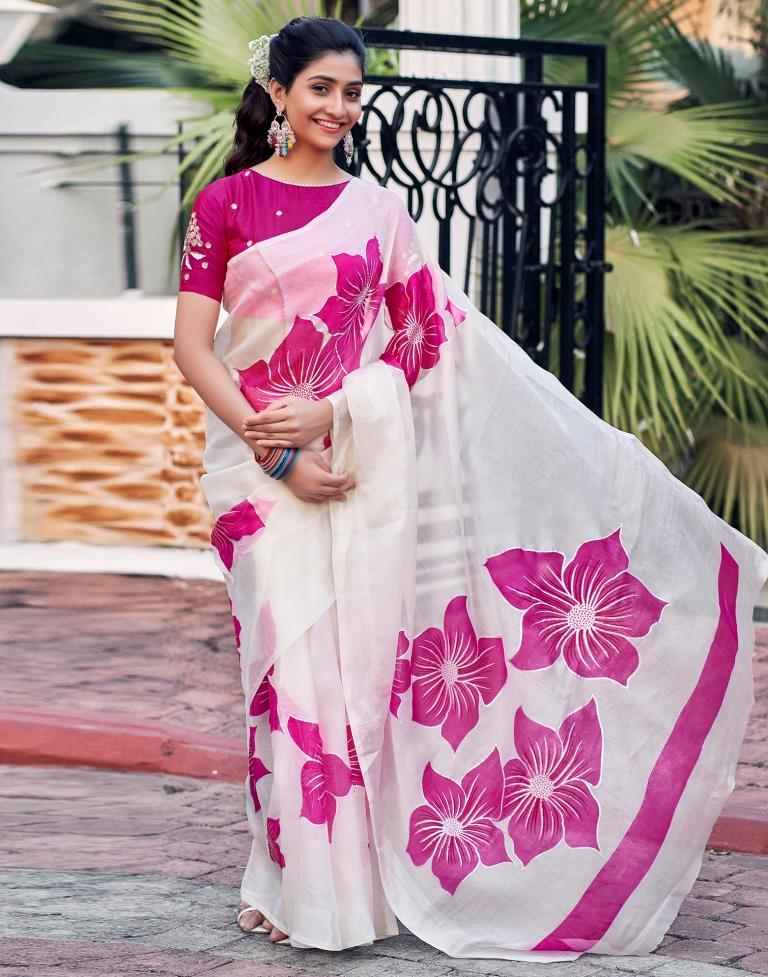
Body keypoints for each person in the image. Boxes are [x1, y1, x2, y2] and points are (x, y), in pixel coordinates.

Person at [172, 14, 768, 962]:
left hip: (355, 468)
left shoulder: (379, 214)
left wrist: (331, 418)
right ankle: (288, 878)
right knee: (283, 675)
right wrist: (274, 445)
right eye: (320, 88)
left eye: (353, 91)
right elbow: (192, 347)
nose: (339, 106)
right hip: (258, 477)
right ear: (279, 94)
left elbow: (420, 342)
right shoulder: (226, 207)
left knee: (351, 677)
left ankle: (338, 889)